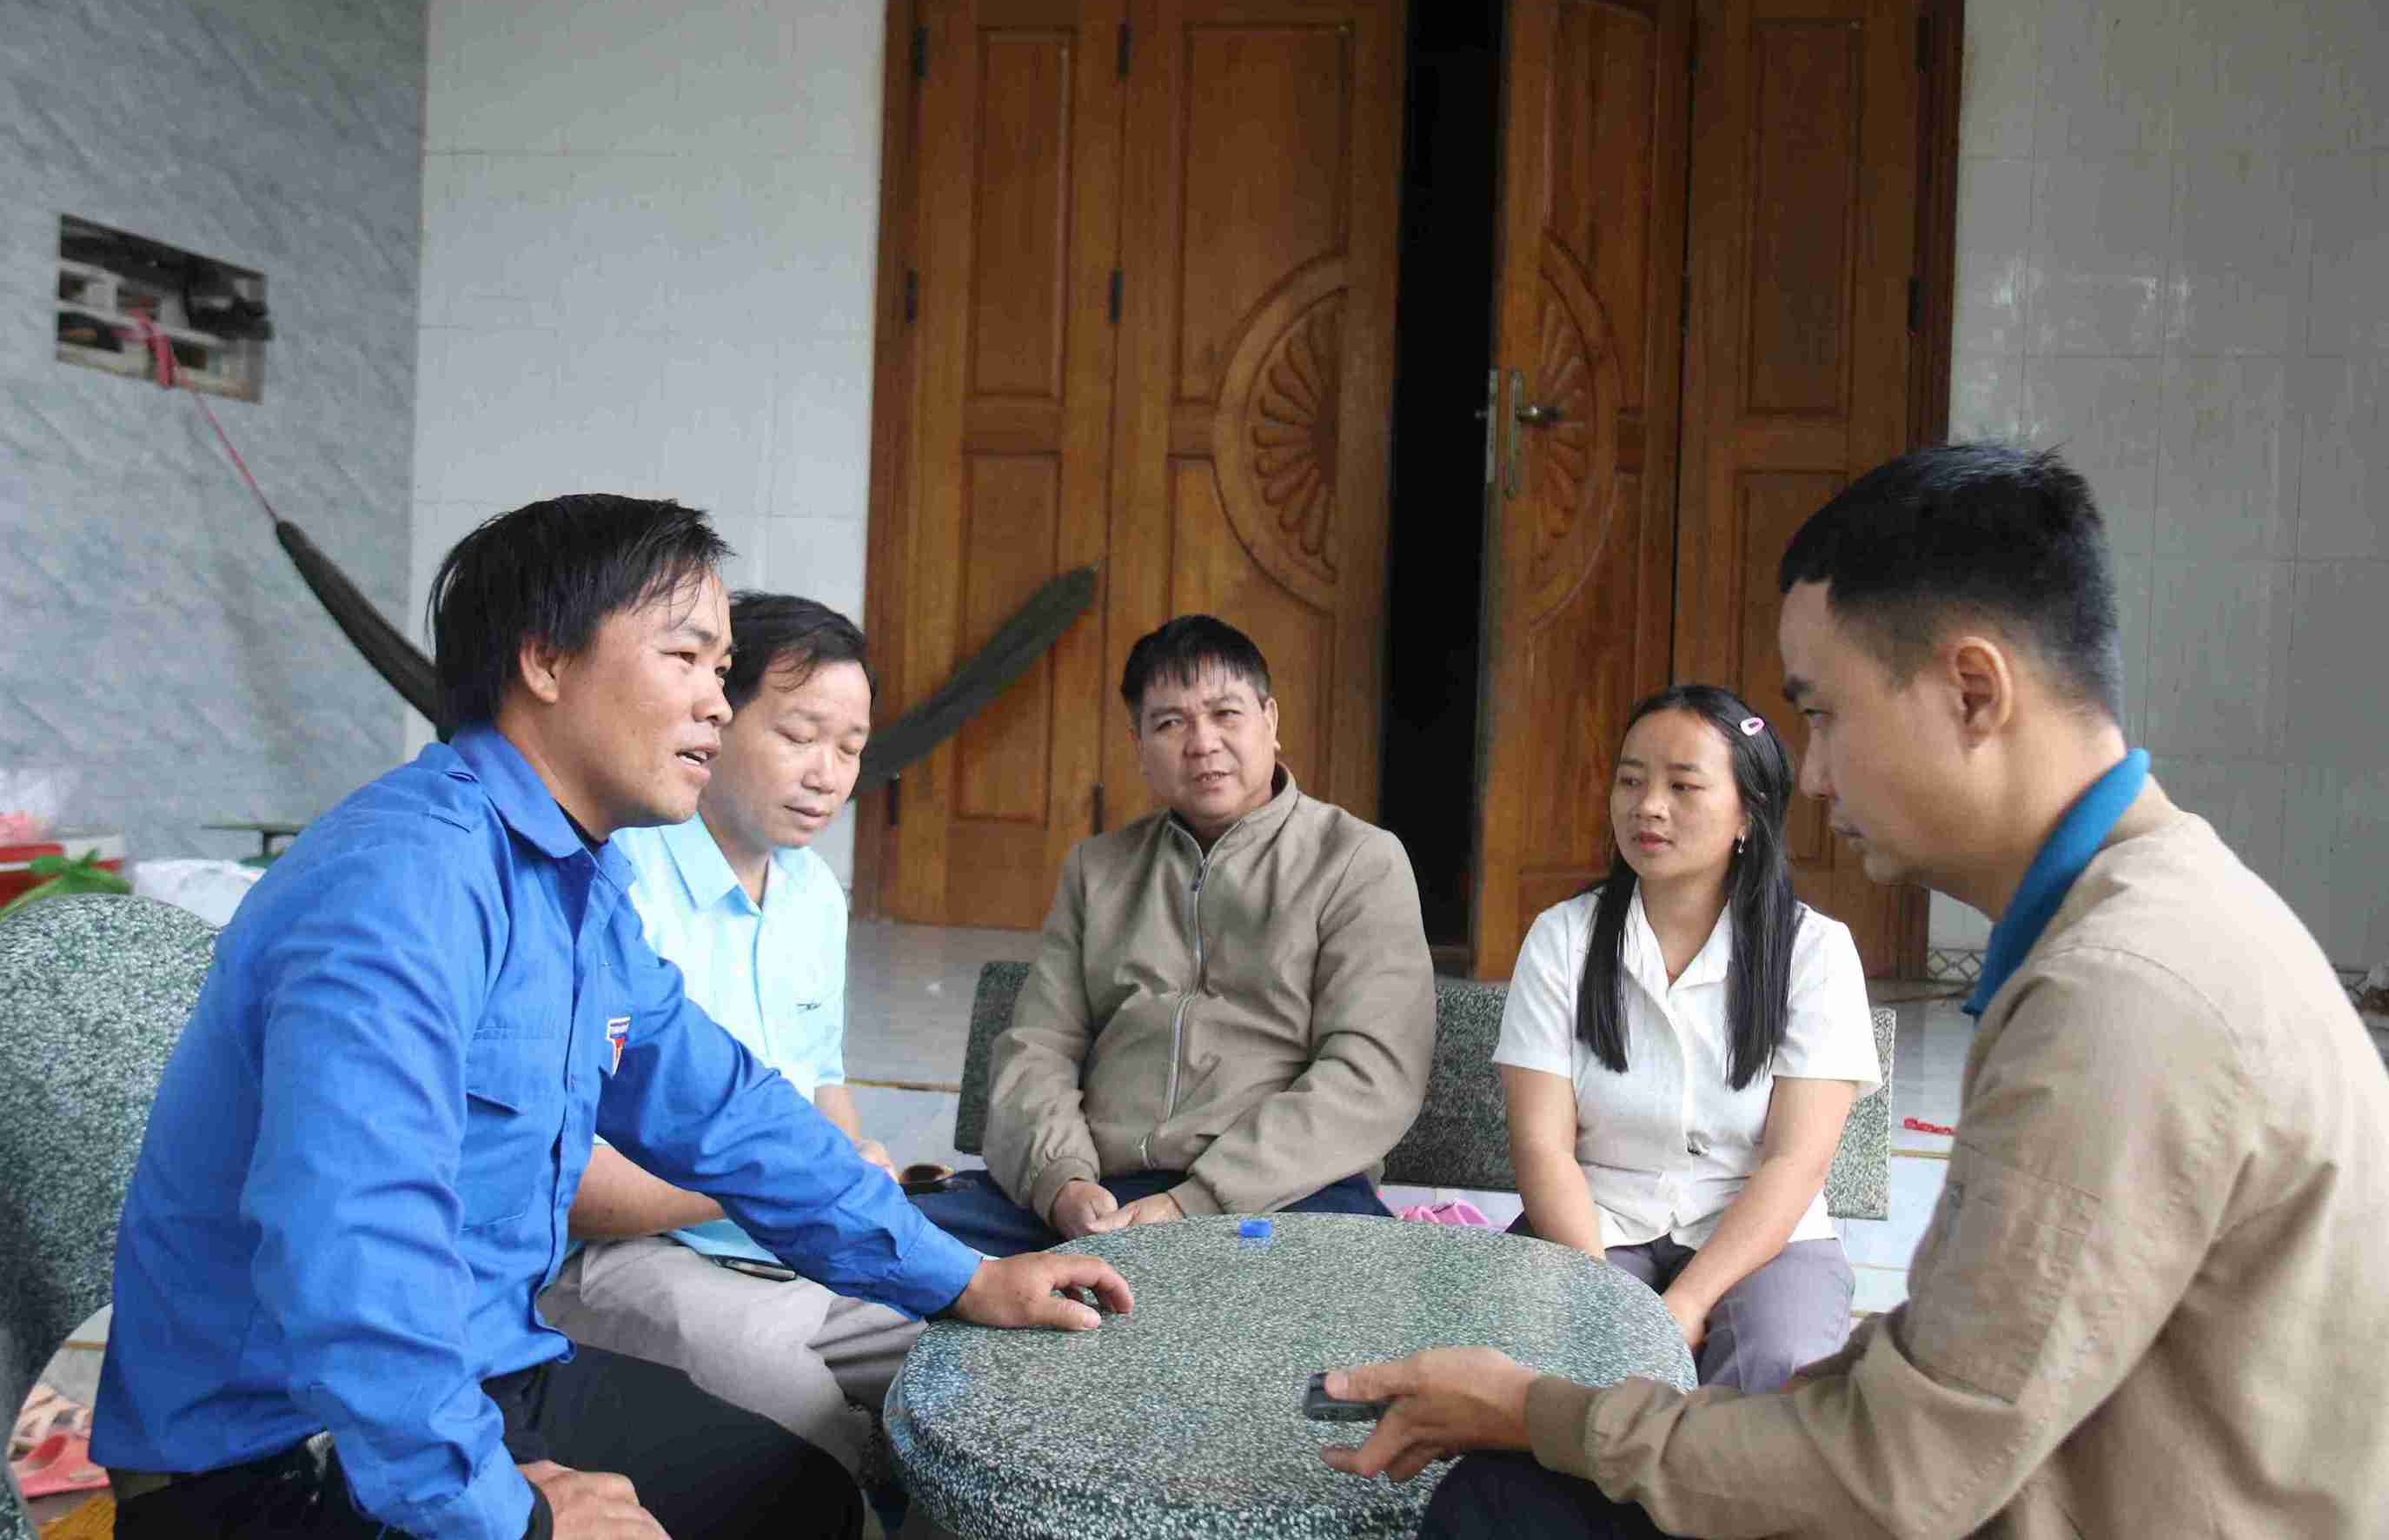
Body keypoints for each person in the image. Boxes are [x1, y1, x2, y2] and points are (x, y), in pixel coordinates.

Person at [1319, 444, 2389, 1537]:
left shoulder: (2120, 995)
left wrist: (1542, 1410)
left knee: (1504, 1503)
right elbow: (1952, 1389)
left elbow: (1898, 1470)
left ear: (1973, 691)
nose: (1814, 777)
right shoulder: (2158, 912)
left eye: (1823, 714)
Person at [93, 496, 1131, 1540]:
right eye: (685, 656)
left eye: (722, 672)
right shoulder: (402, 883)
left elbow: (728, 1112)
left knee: (802, 1498)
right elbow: (355, 1254)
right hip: (283, 1449)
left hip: (477, 1367)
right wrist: (517, 1516)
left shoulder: (572, 885)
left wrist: (964, 1276)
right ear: (546, 660)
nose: (716, 705)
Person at [534, 594, 915, 1479]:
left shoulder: (814, 893)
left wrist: (849, 1155)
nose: (826, 771)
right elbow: (575, 1178)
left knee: (970, 1371)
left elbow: (824, 1078)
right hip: (621, 1253)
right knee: (795, 1404)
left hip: (785, 1236)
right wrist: (775, 1174)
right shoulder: (621, 883)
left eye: (850, 748)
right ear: (715, 716)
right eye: (798, 733)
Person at [918, 614, 1436, 1256]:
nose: (1201, 743)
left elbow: (1371, 1074)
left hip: (1281, 1198)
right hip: (1102, 1194)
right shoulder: (1099, 870)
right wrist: (1061, 1182)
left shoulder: (1356, 861)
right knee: (896, 1254)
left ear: (1270, 722)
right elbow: (1038, 1048)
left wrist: (1197, 1202)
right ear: (1137, 745)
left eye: (1225, 714)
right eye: (1170, 723)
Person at [1494, 683, 1878, 1394]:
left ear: (1746, 814)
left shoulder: (1814, 952)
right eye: (1631, 780)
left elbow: (1794, 1164)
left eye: (1683, 785)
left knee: (1773, 1366)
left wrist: (1690, 1301)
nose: (1648, 806)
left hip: (1760, 1237)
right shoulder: (1563, 938)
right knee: (1547, 1357)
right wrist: (1605, 1299)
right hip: (1593, 1225)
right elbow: (1541, 1146)